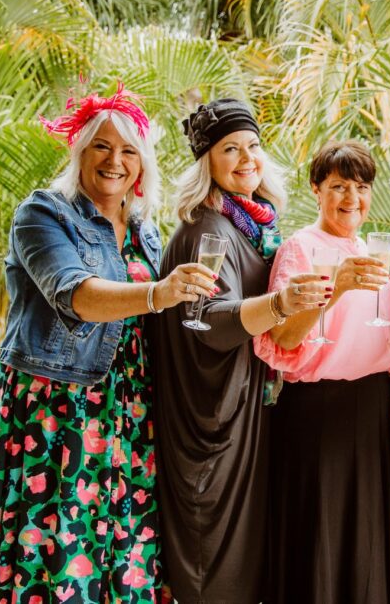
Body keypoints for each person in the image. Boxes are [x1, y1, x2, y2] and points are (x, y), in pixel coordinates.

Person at [0, 84, 217, 602]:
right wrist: (158, 292)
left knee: (125, 551)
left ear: (143, 166)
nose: (115, 161)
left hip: (130, 410)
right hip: (57, 408)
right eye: (101, 146)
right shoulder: (42, 215)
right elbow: (76, 294)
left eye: (129, 150)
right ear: (79, 152)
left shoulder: (147, 233)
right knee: (56, 542)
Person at [149, 98, 327, 603]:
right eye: (231, 149)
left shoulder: (250, 227)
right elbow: (211, 322)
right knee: (217, 571)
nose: (248, 158)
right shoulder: (208, 230)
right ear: (207, 161)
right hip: (211, 428)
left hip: (241, 417)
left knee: (244, 569)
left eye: (253, 146)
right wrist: (281, 303)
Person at [253, 139, 390, 604]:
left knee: (366, 541)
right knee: (319, 538)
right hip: (316, 414)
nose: (351, 198)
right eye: (338, 186)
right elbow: (283, 341)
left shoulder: (371, 250)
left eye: (360, 187)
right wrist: (334, 287)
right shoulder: (299, 249)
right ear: (316, 190)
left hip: (370, 409)